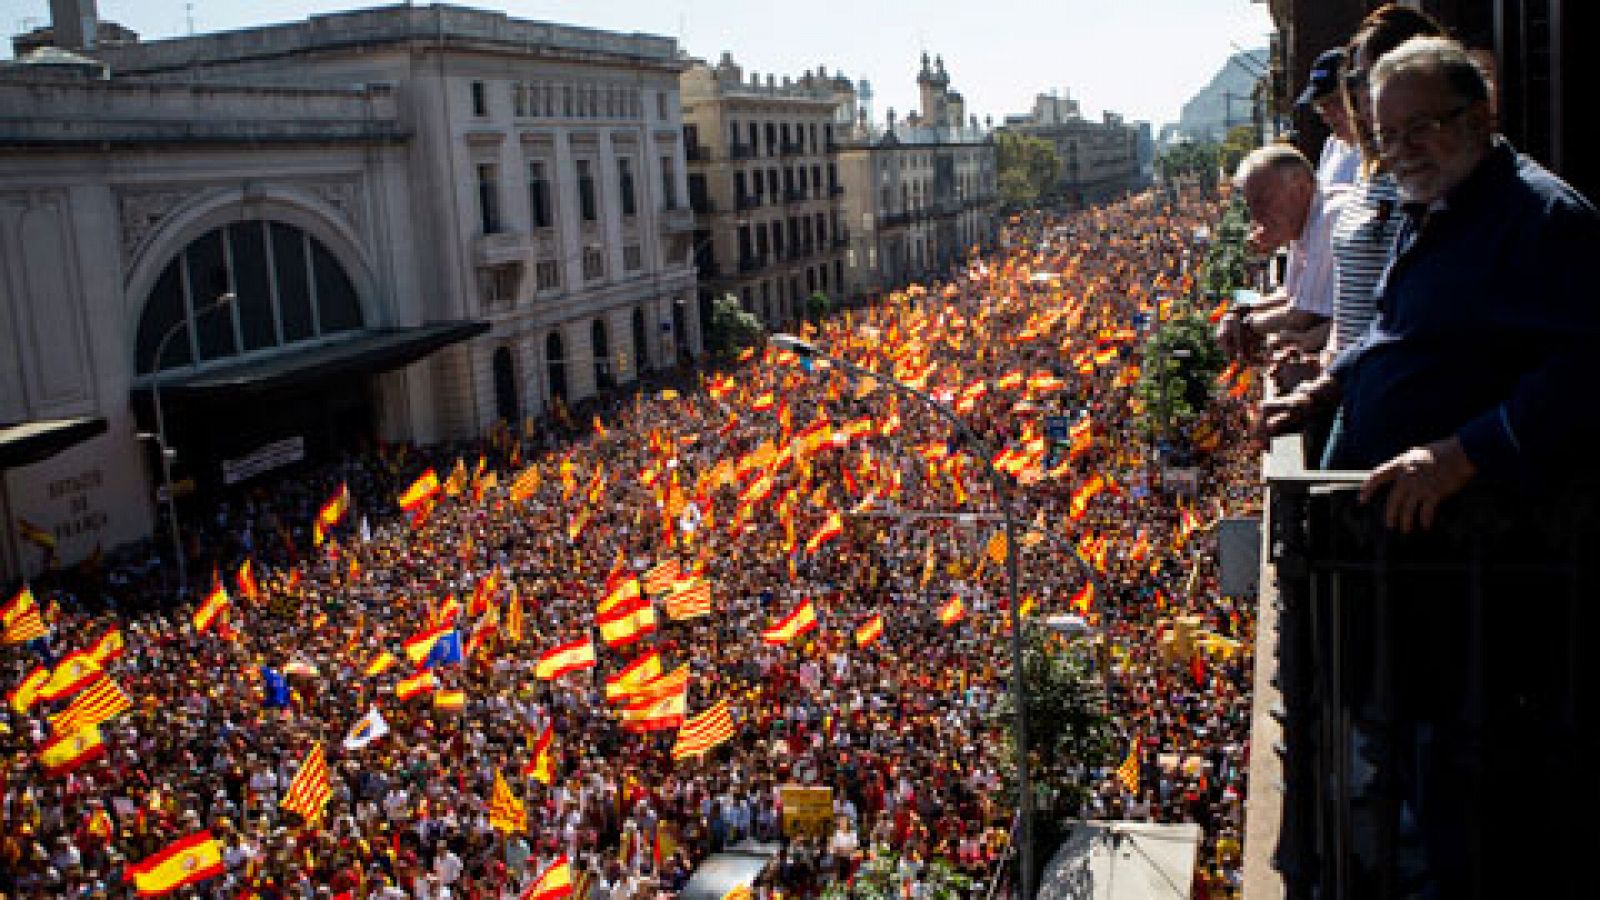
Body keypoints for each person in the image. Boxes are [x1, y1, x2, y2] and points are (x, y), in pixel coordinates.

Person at [1263, 35, 1600, 531]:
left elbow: (1584, 370)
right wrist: (1320, 391)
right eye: (1387, 136)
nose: (1401, 152)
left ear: (1480, 118)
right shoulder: (1428, 205)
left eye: (1420, 129)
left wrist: (1461, 455)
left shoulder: (1544, 218)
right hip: (1388, 532)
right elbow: (1388, 329)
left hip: (1474, 549)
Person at [1216, 145, 1345, 360]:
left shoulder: (1328, 218)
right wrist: (1240, 311)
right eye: (1251, 206)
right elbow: (1291, 295)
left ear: (1300, 188)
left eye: (1263, 201)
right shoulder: (1303, 220)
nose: (1257, 216)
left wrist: (1247, 328)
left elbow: (1302, 316)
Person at [1297, 47, 1362, 188]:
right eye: (1321, 106)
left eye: (1336, 101)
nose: (1329, 116)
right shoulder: (1331, 145)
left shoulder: (1373, 152)